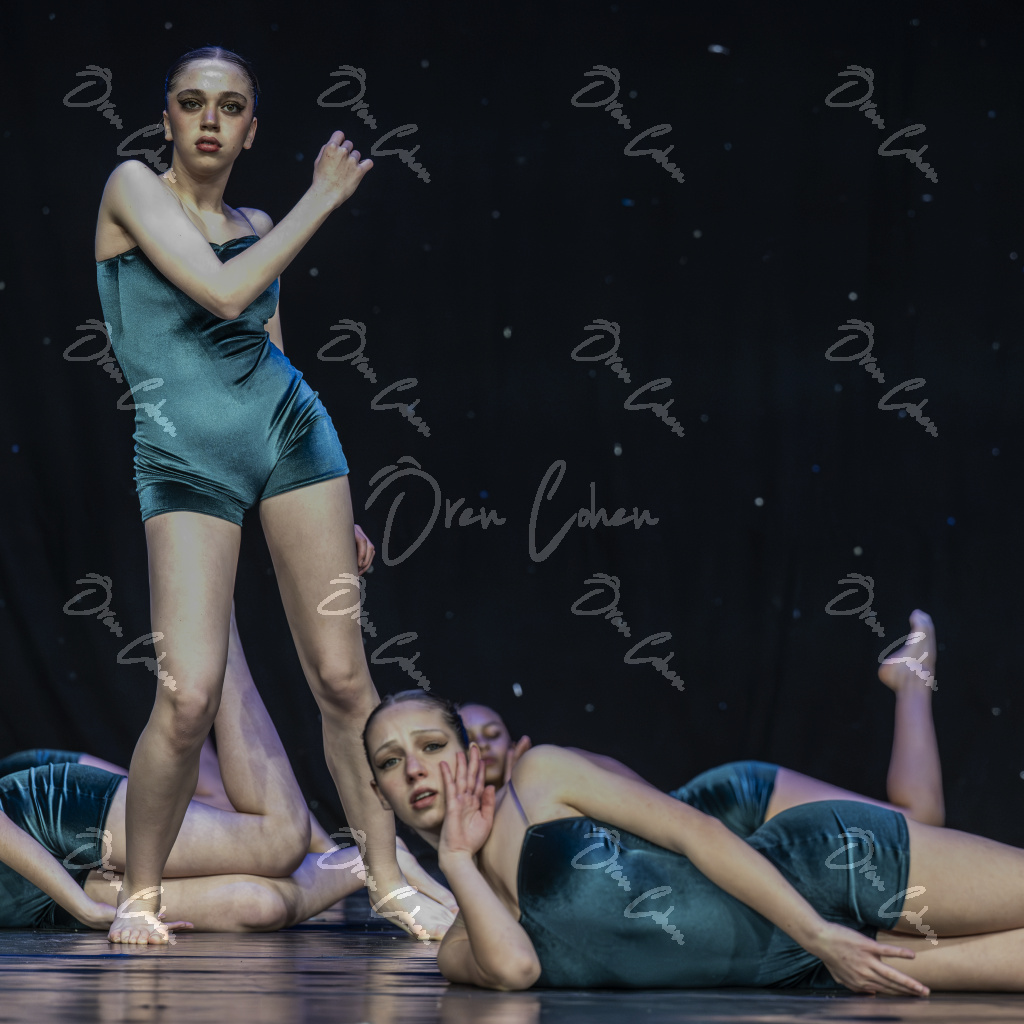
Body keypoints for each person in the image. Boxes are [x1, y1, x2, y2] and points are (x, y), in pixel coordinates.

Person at [92, 45, 440, 942]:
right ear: (166, 117)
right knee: (187, 697)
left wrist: (335, 511)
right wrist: (321, 198)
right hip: (184, 461)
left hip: (292, 443)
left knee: (344, 678)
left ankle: (389, 880)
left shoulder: (254, 221)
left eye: (230, 106)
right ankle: (141, 894)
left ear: (251, 130)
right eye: (192, 102)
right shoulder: (133, 189)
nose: (209, 120)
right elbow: (222, 292)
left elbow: (267, 349)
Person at [361, 652, 1024, 993]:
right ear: (380, 793)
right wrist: (456, 861)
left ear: (470, 754)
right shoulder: (461, 943)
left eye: (432, 746)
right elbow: (516, 970)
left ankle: (913, 682)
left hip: (827, 873)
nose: (415, 770)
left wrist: (820, 932)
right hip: (804, 969)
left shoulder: (540, 777)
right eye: (391, 763)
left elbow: (694, 830)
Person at [0, 601, 452, 939]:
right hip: (23, 901)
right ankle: (362, 860)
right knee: (260, 906)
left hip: (41, 822)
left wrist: (82, 905)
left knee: (279, 841)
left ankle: (216, 620)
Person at [459, 610, 945, 834]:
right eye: (468, 740)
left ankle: (912, 682)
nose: (482, 746)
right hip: (709, 838)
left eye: (492, 734)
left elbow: (649, 803)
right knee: (916, 828)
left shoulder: (547, 771)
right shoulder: (480, 825)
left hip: (725, 808)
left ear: (519, 745)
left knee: (919, 823)